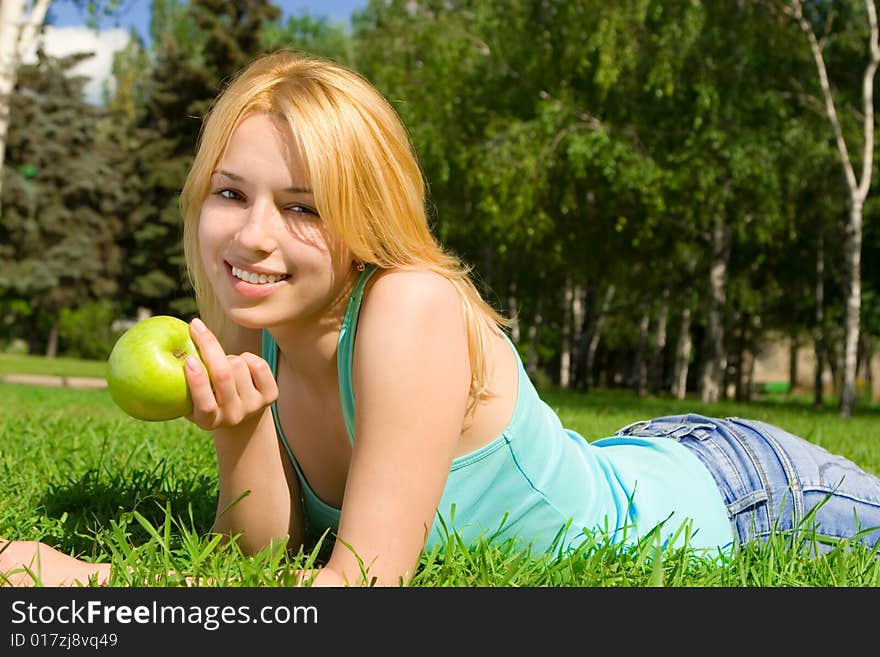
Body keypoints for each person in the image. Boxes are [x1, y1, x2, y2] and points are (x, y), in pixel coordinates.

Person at [3, 50, 880, 588]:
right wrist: (238, 433)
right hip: (637, 455)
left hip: (747, 495)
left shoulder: (409, 305)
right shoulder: (259, 323)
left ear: (364, 214)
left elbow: (361, 585)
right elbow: (262, 563)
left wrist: (98, 587)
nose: (254, 234)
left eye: (304, 208)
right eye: (231, 193)